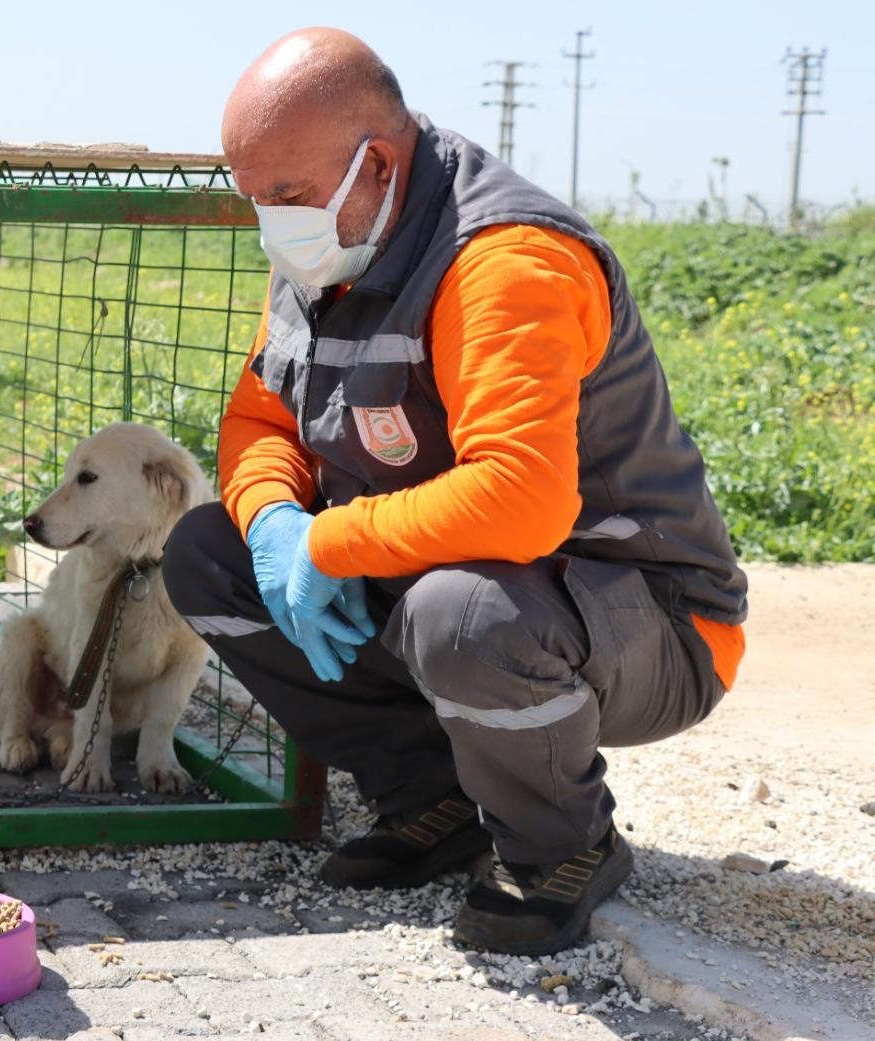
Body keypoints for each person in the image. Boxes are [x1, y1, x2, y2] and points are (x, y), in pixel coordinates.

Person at [163, 27, 747, 955]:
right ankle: (432, 799)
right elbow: (260, 421)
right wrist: (276, 519)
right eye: (254, 200)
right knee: (208, 553)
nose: (272, 227)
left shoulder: (506, 258)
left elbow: (521, 499)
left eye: (287, 197)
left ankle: (563, 844)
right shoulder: (333, 243)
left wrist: (327, 542)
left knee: (463, 617)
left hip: (648, 620)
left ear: (377, 163)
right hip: (470, 580)